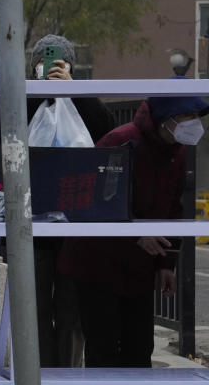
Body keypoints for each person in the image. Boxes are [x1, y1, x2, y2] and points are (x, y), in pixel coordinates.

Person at [58, 89, 208, 369]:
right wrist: (135, 233)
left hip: (138, 266)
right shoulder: (121, 141)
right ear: (167, 118)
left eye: (196, 117)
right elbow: (92, 200)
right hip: (96, 263)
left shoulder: (176, 152)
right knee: (103, 347)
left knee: (139, 348)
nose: (194, 123)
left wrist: (167, 263)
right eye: (187, 116)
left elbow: (173, 209)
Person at [26, 35, 114, 385]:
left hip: (76, 227)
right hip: (33, 225)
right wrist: (34, 91)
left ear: (72, 66)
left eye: (60, 61)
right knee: (35, 313)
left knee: (72, 314)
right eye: (45, 61)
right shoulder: (22, 98)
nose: (52, 66)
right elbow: (7, 137)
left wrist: (75, 91)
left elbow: (106, 134)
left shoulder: (83, 99)